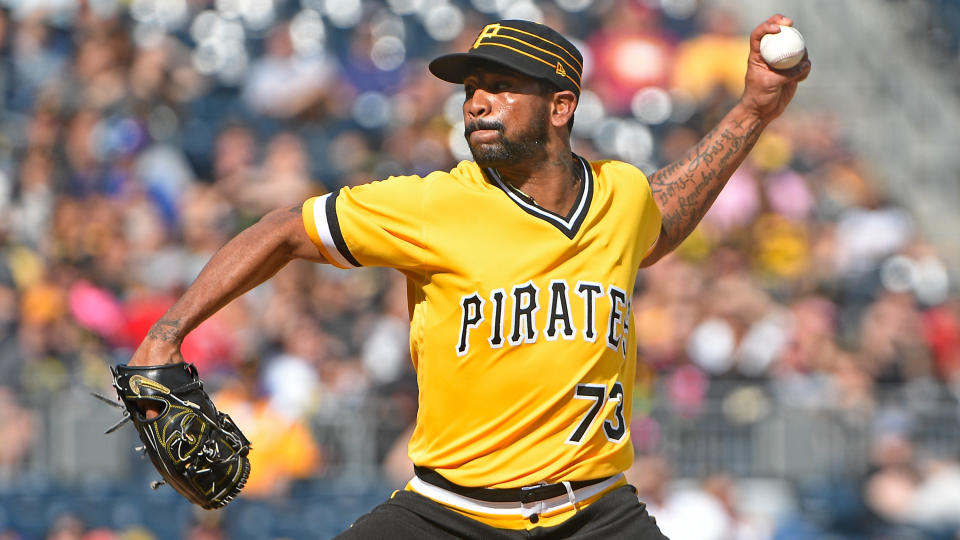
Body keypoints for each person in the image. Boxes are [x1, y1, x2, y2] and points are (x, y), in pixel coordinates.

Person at [127, 15, 810, 539]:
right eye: (472, 88)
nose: (478, 101)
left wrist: (754, 110)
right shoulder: (433, 204)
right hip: (452, 513)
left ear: (561, 106)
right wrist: (167, 331)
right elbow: (283, 230)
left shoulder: (618, 197)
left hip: (596, 512)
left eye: (502, 86)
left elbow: (662, 216)